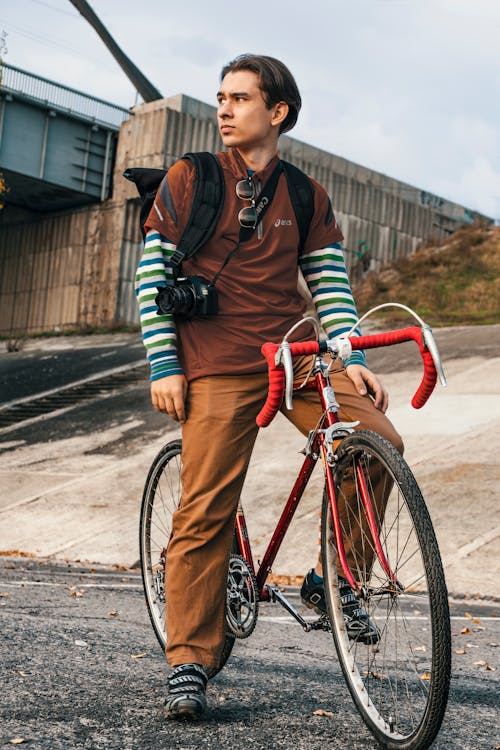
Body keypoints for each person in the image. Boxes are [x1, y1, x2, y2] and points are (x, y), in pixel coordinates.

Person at [135, 53, 403, 720]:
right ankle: (190, 660)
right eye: (220, 97)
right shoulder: (190, 178)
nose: (224, 109)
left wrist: (352, 350)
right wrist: (165, 365)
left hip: (295, 356)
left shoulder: (305, 193)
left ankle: (336, 582)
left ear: (277, 111)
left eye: (241, 98)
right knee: (205, 510)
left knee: (376, 440)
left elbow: (331, 283)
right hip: (216, 362)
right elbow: (151, 279)